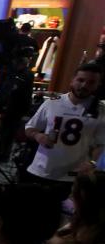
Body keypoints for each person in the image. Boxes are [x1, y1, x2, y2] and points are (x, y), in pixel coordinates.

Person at [23, 63, 105, 201]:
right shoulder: (52, 103)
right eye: (81, 80)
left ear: (98, 85)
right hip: (41, 170)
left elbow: (100, 143)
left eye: (91, 82)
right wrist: (38, 136)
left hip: (74, 175)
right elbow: (29, 128)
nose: (84, 85)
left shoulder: (101, 110)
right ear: (72, 80)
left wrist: (92, 163)